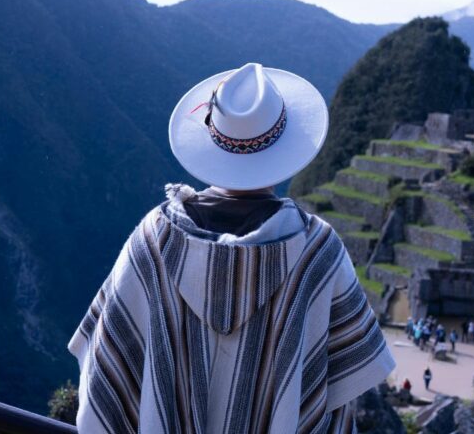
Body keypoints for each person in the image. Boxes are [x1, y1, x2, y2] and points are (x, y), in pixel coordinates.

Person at [69, 63, 396, 433]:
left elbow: (107, 370)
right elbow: (338, 391)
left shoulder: (152, 241)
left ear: (213, 137)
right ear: (284, 146)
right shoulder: (317, 253)